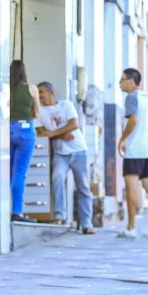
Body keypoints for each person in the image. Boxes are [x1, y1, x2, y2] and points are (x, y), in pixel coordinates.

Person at [35, 81, 94, 235]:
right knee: (57, 178)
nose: (39, 95)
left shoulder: (66, 105)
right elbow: (41, 133)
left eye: (41, 92)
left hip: (78, 150)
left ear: (50, 92)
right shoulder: (39, 111)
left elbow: (74, 124)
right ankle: (59, 216)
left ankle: (86, 224)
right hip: (60, 154)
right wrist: (62, 134)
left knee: (83, 187)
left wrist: (54, 134)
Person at [117, 68, 148, 238]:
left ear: (130, 81)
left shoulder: (131, 97)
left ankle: (130, 228)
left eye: (122, 80)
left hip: (135, 149)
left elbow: (134, 120)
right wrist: (147, 132)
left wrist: (123, 139)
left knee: (132, 186)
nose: (119, 84)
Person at [9, 60, 40, 222]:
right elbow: (36, 113)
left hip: (7, 130)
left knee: (7, 173)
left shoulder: (5, 89)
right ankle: (17, 211)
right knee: (19, 173)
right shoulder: (32, 89)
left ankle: (3, 210)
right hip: (26, 131)